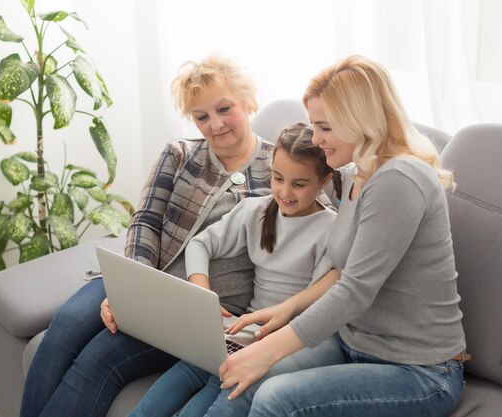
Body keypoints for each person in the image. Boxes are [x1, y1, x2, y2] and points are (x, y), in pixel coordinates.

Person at [203, 55, 467, 417]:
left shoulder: (400, 179)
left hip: (420, 370)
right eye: (314, 125)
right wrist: (285, 310)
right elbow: (342, 270)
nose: (316, 139)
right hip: (353, 342)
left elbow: (356, 289)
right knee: (242, 383)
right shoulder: (356, 174)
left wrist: (268, 351)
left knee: (274, 396)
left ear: (360, 121)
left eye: (324, 127)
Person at [19, 55, 276, 417]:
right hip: (143, 280)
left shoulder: (282, 168)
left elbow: (313, 229)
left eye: (224, 108)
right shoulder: (179, 154)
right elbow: (145, 222)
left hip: (201, 312)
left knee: (99, 358)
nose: (215, 124)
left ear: (248, 100)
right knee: (63, 327)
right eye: (202, 116)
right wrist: (131, 292)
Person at [127, 123, 342, 417]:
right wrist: (202, 292)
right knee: (164, 392)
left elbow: (316, 306)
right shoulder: (256, 209)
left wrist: (264, 341)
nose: (285, 192)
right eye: (277, 178)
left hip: (278, 341)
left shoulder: (330, 229)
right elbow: (200, 244)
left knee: (205, 402)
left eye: (299, 184)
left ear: (324, 181)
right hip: (238, 332)